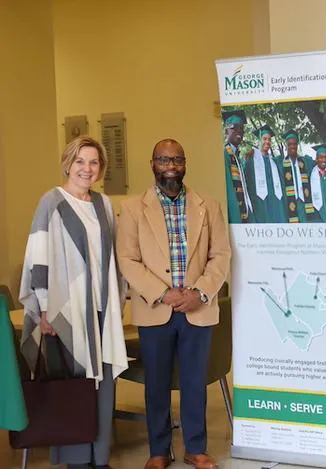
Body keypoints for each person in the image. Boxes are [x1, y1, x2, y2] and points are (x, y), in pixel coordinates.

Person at [117, 138, 231, 469]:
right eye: (164, 160)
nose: (171, 166)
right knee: (157, 384)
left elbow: (220, 255)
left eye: (177, 160)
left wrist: (200, 292)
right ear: (152, 164)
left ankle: (196, 448)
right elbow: (127, 259)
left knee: (195, 382)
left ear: (185, 163)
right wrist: (163, 293)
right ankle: (158, 450)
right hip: (155, 307)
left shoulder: (207, 205)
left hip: (198, 307)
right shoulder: (133, 208)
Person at [19, 136, 128, 469]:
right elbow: (38, 256)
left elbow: (112, 258)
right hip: (66, 312)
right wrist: (46, 307)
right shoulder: (51, 203)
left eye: (94, 162)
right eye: (80, 161)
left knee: (103, 386)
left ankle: (100, 456)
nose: (87, 169)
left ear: (101, 168)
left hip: (101, 310)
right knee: (73, 389)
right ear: (68, 163)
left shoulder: (104, 205)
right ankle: (77, 459)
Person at [244, 124, 285, 223]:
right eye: (264, 139)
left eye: (269, 140)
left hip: (275, 207)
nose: (267, 142)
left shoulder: (274, 162)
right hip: (259, 207)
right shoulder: (251, 161)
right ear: (259, 140)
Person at [276, 129, 316, 223]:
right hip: (289, 203)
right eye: (289, 144)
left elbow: (320, 163)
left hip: (305, 203)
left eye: (294, 144)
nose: (292, 146)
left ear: (297, 145)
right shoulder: (280, 163)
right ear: (286, 146)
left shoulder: (306, 161)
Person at [222, 109, 253, 223]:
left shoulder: (236, 156)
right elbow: (229, 189)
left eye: (241, 128)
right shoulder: (224, 154)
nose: (239, 131)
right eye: (234, 127)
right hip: (234, 214)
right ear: (226, 131)